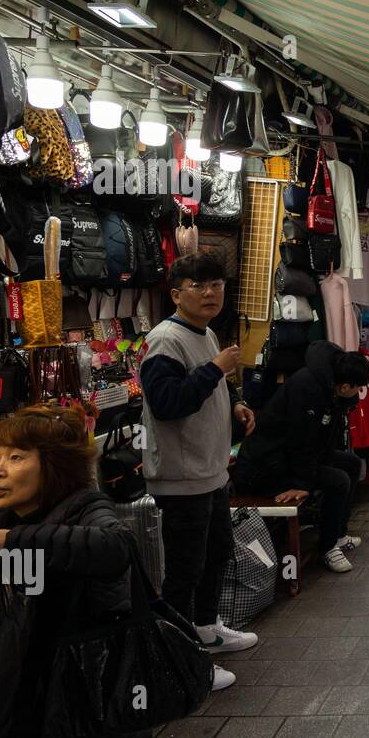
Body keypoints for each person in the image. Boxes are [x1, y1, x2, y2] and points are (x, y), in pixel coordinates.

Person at [0, 404, 139, 738]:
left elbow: (117, 547)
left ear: (54, 465)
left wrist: (18, 541)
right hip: (19, 691)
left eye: (16, 458)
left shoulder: (86, 507)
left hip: (81, 694)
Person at [140, 252, 257, 691]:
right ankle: (181, 662)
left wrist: (236, 407)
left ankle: (207, 630)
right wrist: (215, 369)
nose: (211, 293)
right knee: (184, 572)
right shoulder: (164, 340)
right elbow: (169, 405)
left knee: (215, 557)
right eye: (198, 286)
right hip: (180, 478)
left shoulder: (204, 333)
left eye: (217, 285)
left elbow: (207, 392)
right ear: (175, 294)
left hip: (210, 472)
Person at [234, 342, 369, 573]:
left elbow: (320, 438)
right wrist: (301, 484)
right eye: (357, 388)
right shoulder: (308, 388)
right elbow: (301, 441)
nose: (358, 394)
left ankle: (337, 534)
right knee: (338, 481)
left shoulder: (331, 387)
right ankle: (327, 548)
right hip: (265, 466)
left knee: (351, 464)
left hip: (288, 457)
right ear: (346, 385)